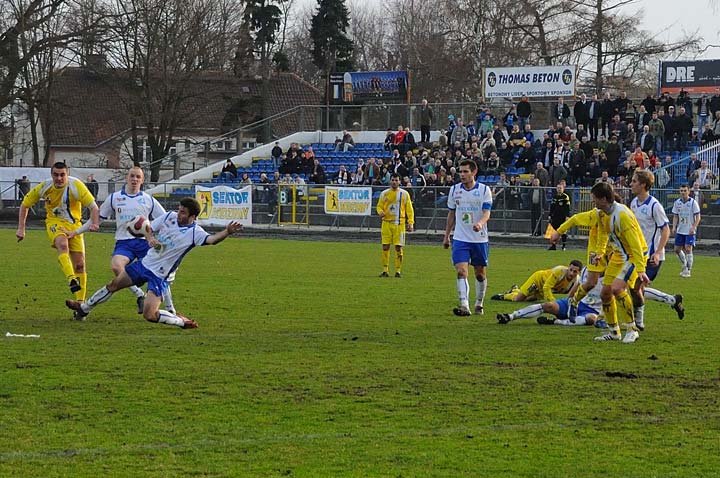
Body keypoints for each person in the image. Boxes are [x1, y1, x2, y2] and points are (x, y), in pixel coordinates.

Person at [66, 198, 243, 328]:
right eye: (179, 209)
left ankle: (180, 321)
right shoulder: (169, 217)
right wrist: (150, 238)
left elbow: (212, 240)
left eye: (183, 211)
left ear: (193, 216)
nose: (178, 212)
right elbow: (149, 226)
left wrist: (226, 231)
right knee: (114, 284)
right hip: (144, 264)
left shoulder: (195, 232)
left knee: (149, 315)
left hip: (160, 275)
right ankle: (84, 308)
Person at [69, 166, 173, 315]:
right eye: (132, 176)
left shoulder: (148, 199)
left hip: (145, 243)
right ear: (127, 178)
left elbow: (165, 220)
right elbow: (96, 219)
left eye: (138, 177)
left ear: (142, 180)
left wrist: (161, 239)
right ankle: (139, 295)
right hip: (124, 243)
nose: (134, 179)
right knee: (117, 266)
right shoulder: (114, 198)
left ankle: (171, 310)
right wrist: (76, 232)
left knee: (160, 273)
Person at [16, 162, 100, 307]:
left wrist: (95, 223)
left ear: (67, 174)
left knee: (80, 265)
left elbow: (93, 207)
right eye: (56, 175)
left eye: (62, 175)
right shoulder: (45, 186)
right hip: (54, 223)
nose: (59, 178)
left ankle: (81, 305)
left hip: (74, 226)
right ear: (51, 174)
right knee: (62, 244)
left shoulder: (76, 185)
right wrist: (21, 229)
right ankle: (71, 279)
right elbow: (25, 204)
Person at [590, 182, 649, 343]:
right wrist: (600, 252)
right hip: (620, 254)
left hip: (634, 256)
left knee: (617, 288)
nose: (593, 202)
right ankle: (614, 332)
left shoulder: (622, 215)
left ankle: (632, 329)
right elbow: (603, 233)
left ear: (603, 199)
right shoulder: (602, 213)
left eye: (594, 199)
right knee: (605, 293)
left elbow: (636, 244)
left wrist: (641, 269)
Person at [629, 170, 685, 329]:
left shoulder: (654, 205)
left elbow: (665, 230)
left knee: (635, 288)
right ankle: (672, 300)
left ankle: (638, 324)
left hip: (652, 256)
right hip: (637, 254)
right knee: (636, 289)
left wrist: (658, 251)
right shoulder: (634, 203)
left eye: (634, 181)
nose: (631, 184)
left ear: (643, 185)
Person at [443, 159, 492, 316]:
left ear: (474, 172)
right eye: (460, 171)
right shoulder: (454, 190)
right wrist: (446, 236)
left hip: (479, 239)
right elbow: (451, 214)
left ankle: (479, 303)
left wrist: (480, 223)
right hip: (460, 238)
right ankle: (464, 304)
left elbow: (487, 213)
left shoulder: (484, 190)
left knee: (480, 274)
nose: (462, 175)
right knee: (461, 271)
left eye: (465, 171)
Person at [497, 267, 602, 326]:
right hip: (539, 280)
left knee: (591, 319)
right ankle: (510, 316)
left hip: (591, 310)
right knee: (546, 305)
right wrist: (562, 302)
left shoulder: (612, 276)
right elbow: (548, 287)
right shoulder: (585, 270)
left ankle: (556, 322)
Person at [376, 173, 415, 277]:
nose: (394, 182)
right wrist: (380, 212)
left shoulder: (404, 194)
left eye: (396, 180)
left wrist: (410, 222)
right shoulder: (384, 193)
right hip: (386, 224)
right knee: (385, 246)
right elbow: (379, 206)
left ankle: (398, 271)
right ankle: (385, 270)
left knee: (398, 247)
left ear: (399, 181)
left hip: (399, 225)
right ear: (390, 181)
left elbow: (409, 209)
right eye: (393, 180)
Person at [491, 260, 582, 302]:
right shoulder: (560, 271)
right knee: (518, 299)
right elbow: (547, 287)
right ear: (568, 267)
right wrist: (554, 302)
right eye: (570, 269)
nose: (571, 273)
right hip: (538, 280)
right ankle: (504, 296)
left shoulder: (576, 282)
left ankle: (516, 290)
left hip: (544, 290)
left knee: (528, 300)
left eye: (575, 271)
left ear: (579, 272)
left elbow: (573, 295)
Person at [671, 184, 701, 278]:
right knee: (677, 249)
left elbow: (698, 217)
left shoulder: (693, 203)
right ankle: (684, 264)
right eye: (681, 191)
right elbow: (676, 216)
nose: (683, 192)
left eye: (685, 190)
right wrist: (674, 227)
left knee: (688, 249)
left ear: (688, 191)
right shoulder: (677, 203)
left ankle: (688, 270)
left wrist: (693, 227)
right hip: (681, 230)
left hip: (689, 230)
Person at [548, 181, 571, 250]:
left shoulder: (565, 197)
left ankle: (564, 246)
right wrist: (550, 215)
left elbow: (567, 207)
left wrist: (567, 216)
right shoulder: (554, 197)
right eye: (558, 188)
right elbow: (552, 207)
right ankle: (553, 245)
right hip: (555, 216)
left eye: (560, 188)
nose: (559, 189)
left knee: (563, 230)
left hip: (562, 217)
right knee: (554, 231)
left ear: (563, 189)